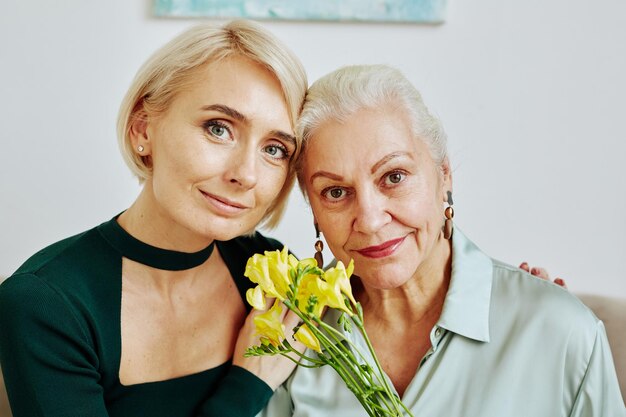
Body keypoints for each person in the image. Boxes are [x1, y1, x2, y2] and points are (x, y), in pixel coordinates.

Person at [260, 64, 625, 416]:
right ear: (313, 211)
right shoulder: (292, 338)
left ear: (444, 175)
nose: (370, 221)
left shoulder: (558, 330)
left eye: (395, 176)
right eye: (336, 192)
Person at [0, 20, 308, 417]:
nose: (245, 174)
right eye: (219, 129)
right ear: (142, 128)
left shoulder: (266, 271)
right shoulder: (45, 304)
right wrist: (248, 383)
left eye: (275, 149)